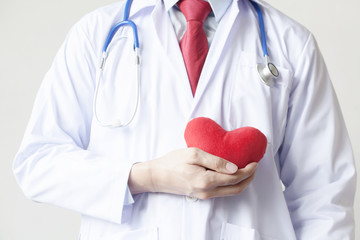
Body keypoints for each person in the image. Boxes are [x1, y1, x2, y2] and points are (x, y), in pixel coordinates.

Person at [13, 0, 356, 239]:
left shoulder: (291, 44)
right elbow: (38, 162)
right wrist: (144, 177)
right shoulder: (96, 35)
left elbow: (324, 195)